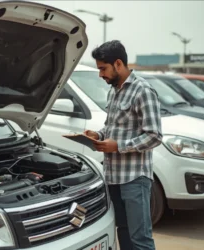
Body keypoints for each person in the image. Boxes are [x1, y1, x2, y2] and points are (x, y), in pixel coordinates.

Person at [84, 40, 162, 250]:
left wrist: (118, 146)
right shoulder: (114, 90)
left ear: (118, 63)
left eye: (103, 68)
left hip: (135, 178)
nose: (100, 74)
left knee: (140, 239)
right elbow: (112, 127)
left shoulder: (143, 91)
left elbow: (155, 136)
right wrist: (97, 134)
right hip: (113, 177)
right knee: (123, 231)